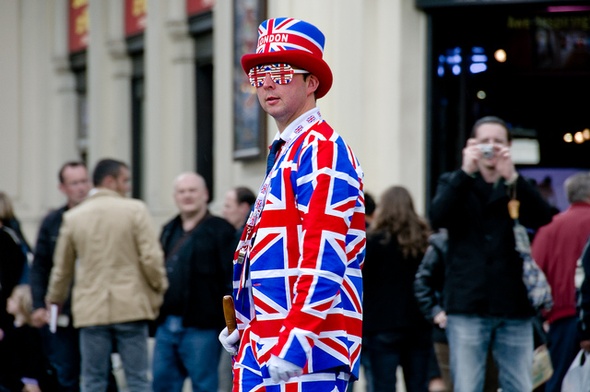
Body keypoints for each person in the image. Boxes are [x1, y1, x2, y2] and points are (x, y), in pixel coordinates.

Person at [218, 17, 366, 391]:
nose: (266, 82)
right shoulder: (292, 149)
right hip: (269, 343)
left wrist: (297, 337)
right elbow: (277, 252)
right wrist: (246, 322)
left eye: (281, 72)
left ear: (311, 82)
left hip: (307, 350)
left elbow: (324, 252)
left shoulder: (323, 148)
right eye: (260, 74)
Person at [429, 116, 553, 392]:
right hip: (467, 303)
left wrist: (513, 177)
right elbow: (437, 216)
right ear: (471, 145)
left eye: (498, 142)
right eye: (484, 141)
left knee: (519, 384)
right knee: (468, 385)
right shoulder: (454, 182)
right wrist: (465, 171)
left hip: (514, 304)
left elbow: (543, 218)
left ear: (509, 147)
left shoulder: (516, 186)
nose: (491, 147)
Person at [46, 158, 168, 392]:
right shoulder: (135, 210)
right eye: (125, 180)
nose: (128, 186)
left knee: (93, 380)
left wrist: (55, 299)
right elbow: (151, 258)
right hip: (131, 305)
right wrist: (159, 287)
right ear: (110, 181)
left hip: (91, 309)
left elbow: (62, 269)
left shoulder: (74, 217)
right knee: (138, 379)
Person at [152, 172, 236, 392]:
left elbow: (230, 278)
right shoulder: (168, 229)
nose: (187, 196)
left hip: (203, 327)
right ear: (175, 196)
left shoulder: (221, 229)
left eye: (192, 190)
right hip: (166, 324)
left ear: (205, 194)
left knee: (204, 386)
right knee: (162, 385)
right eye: (182, 191)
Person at [29, 161, 91, 391]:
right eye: (74, 183)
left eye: (84, 181)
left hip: (95, 312)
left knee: (99, 374)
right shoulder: (53, 221)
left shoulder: (99, 218)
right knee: (66, 373)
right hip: (63, 313)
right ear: (62, 187)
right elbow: (40, 266)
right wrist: (38, 305)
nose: (81, 188)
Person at [363, 185, 432, 392]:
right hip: (417, 323)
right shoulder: (423, 240)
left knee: (383, 386)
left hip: (380, 324)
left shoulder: (372, 241)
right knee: (418, 385)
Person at [531, 171, 590, 392]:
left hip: (561, 318)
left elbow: (534, 272)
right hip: (579, 315)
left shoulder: (549, 227)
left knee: (557, 380)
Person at [0, 284, 57, 392]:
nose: (8, 300)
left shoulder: (28, 333)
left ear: (21, 304)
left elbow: (31, 362)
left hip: (25, 383)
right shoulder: (11, 330)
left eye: (13, 299)